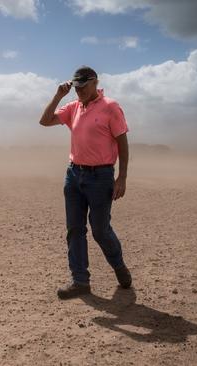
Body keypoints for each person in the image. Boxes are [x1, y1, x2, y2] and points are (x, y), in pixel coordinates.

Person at [39, 66, 132, 299]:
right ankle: (80, 281)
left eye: (83, 86)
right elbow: (44, 121)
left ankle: (119, 266)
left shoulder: (111, 107)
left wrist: (122, 176)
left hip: (100, 177)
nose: (79, 91)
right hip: (74, 175)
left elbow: (122, 142)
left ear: (95, 83)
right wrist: (58, 96)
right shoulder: (73, 108)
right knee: (75, 229)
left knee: (100, 230)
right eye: (76, 87)